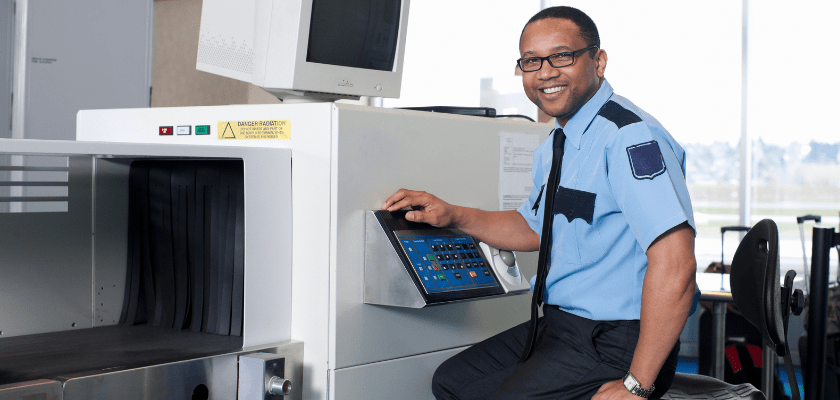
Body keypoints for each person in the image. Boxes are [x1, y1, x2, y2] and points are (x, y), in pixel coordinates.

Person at [382, 6, 697, 400]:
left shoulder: (630, 138)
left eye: (562, 56)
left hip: (619, 339)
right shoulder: (557, 143)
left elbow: (676, 265)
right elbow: (534, 228)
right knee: (453, 382)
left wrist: (637, 384)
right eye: (531, 61)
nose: (545, 72)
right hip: (563, 326)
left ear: (598, 62)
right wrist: (452, 214)